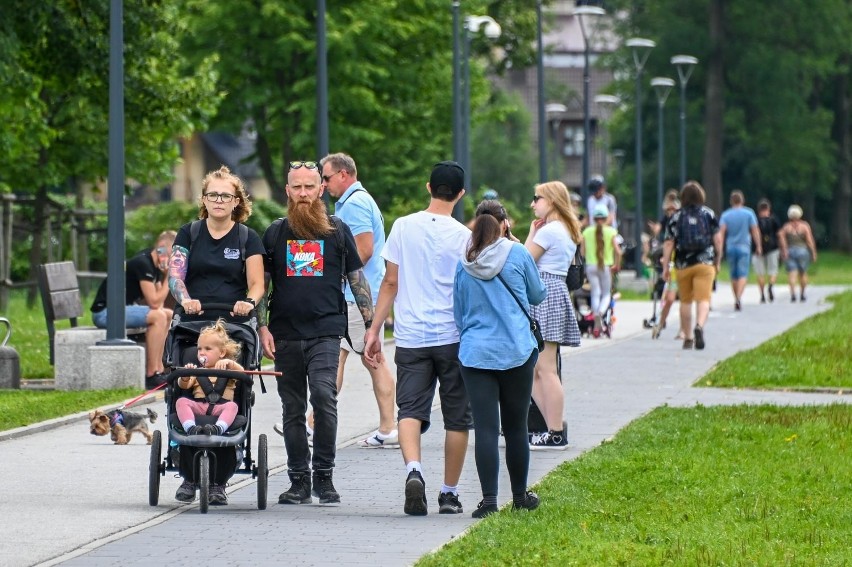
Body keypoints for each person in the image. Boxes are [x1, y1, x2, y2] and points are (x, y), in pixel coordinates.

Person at [259, 160, 375, 506]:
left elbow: (358, 280)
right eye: (297, 187)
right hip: (285, 334)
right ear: (288, 191)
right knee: (292, 407)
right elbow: (261, 286)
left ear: (321, 189)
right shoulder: (276, 233)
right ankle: (298, 479)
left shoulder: (337, 232)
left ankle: (324, 476)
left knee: (324, 397)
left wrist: (371, 327)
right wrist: (261, 326)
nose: (304, 193)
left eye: (310, 186)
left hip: (326, 331)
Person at [363, 161, 473, 517]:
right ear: (460, 194)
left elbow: (390, 283)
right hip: (453, 337)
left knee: (409, 410)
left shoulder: (403, 227)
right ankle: (449, 493)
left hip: (411, 337)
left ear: (428, 187)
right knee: (457, 418)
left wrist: (375, 329)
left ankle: (414, 471)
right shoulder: (464, 237)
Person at [168, 165, 266, 505]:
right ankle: (186, 472)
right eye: (213, 195)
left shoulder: (246, 237)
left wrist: (248, 302)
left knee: (231, 390)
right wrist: (184, 298)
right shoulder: (189, 233)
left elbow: (257, 283)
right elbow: (175, 277)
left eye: (226, 195)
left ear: (237, 200)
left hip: (233, 324)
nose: (219, 200)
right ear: (204, 199)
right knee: (182, 380)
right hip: (194, 323)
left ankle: (220, 477)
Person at [453, 199, 546, 519]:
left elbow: (459, 313)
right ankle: (520, 497)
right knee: (517, 427)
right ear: (503, 223)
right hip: (517, 350)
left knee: (486, 428)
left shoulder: (465, 261)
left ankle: (489, 500)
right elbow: (537, 295)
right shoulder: (518, 254)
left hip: (476, 353)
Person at [524, 180, 582, 449]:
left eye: (537, 198)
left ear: (552, 201)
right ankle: (551, 428)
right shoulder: (566, 230)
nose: (533, 203)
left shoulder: (549, 232)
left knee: (545, 368)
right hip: (555, 291)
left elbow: (523, 261)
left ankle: (556, 431)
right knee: (540, 368)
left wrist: (529, 235)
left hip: (543, 293)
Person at [90, 230, 175, 389]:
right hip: (106, 313)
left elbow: (159, 305)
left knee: (168, 315)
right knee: (159, 317)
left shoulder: (154, 263)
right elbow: (155, 304)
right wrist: (170, 277)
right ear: (162, 248)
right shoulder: (142, 264)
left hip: (121, 309)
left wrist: (164, 275)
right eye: (174, 255)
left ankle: (159, 370)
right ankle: (151, 374)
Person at [173, 319, 244, 505]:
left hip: (221, 410)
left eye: (207, 349)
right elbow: (184, 386)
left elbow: (244, 374)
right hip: (199, 410)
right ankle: (189, 479)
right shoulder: (198, 371)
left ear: (222, 352)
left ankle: (217, 485)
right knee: (181, 401)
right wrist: (186, 375)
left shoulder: (228, 368)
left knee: (233, 407)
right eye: (199, 349)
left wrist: (230, 364)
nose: (201, 353)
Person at [661, 181, 722, 351]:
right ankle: (700, 326)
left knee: (685, 301)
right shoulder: (708, 214)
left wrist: (666, 266)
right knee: (703, 299)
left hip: (683, 264)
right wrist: (718, 259)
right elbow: (717, 240)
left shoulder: (676, 217)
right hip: (705, 263)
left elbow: (668, 244)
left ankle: (687, 337)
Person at [581, 204, 622, 336]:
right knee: (606, 294)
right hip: (605, 266)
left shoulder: (586, 232)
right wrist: (617, 264)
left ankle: (595, 313)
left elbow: (582, 252)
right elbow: (618, 252)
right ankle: (600, 312)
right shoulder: (611, 232)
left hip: (591, 266)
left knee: (595, 292)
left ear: (594, 218)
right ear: (605, 218)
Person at [718, 190, 761, 311]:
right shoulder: (749, 213)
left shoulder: (726, 215)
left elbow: (721, 233)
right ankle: (738, 297)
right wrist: (758, 246)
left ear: (731, 201)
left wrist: (720, 249)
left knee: (733, 274)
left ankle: (735, 297)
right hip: (744, 246)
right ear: (742, 200)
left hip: (731, 246)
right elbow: (754, 230)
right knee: (743, 274)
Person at [651, 197, 683, 340]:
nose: (671, 212)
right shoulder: (668, 222)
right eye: (669, 210)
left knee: (685, 299)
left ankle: (683, 330)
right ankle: (660, 323)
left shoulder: (682, 222)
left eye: (673, 210)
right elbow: (667, 243)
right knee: (669, 298)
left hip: (685, 265)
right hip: (674, 265)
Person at [778, 204, 818, 302]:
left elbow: (781, 239)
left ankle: (793, 294)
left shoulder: (786, 227)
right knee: (803, 273)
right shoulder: (804, 226)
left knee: (792, 274)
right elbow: (809, 240)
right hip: (802, 251)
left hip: (790, 251)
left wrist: (784, 251)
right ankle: (802, 294)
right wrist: (813, 252)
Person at [752, 199, 782, 303]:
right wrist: (783, 248)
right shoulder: (774, 220)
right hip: (773, 248)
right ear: (768, 209)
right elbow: (780, 235)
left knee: (760, 273)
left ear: (759, 210)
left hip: (757, 249)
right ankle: (770, 286)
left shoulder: (755, 220)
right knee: (773, 270)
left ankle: (762, 295)